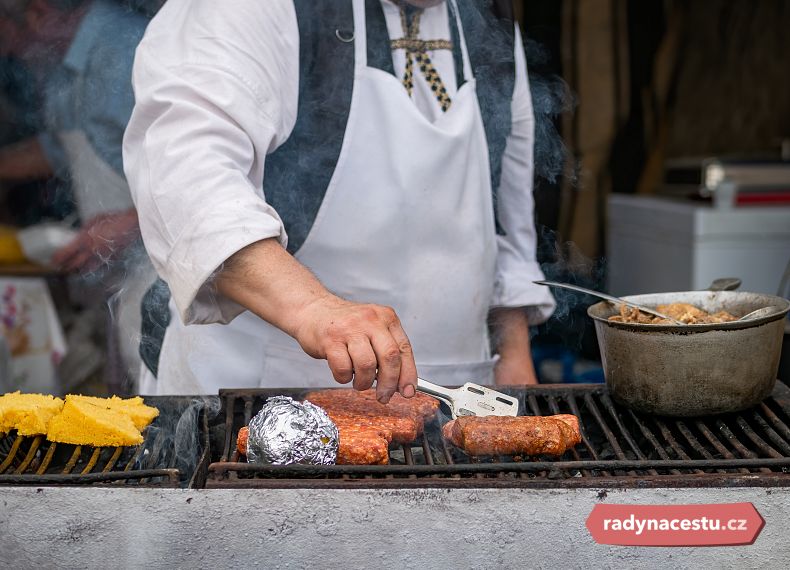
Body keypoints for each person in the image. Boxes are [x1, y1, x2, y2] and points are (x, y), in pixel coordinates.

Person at [124, 0, 556, 402]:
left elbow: (507, 216)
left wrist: (513, 356)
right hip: (258, 389)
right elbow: (186, 178)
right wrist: (315, 308)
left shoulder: (490, 14)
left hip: (452, 397)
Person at [0, 0, 146, 271]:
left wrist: (129, 225)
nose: (7, 50)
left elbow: (199, 174)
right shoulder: (65, 62)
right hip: (114, 273)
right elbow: (58, 150)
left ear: (38, 13)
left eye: (4, 34)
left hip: (167, 274)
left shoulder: (128, 51)